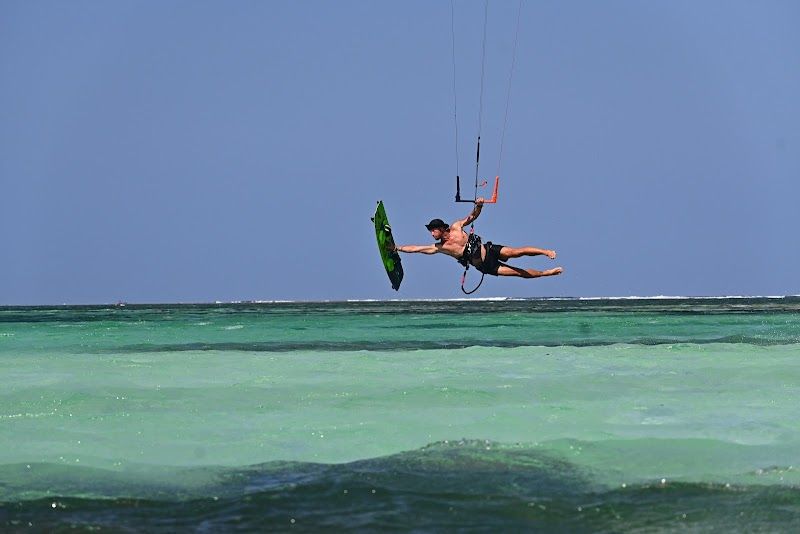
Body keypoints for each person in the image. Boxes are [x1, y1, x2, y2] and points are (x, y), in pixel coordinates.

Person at [394, 198, 563, 278]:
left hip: (489, 250)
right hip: (485, 265)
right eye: (430, 231)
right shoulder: (440, 248)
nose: (432, 234)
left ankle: (545, 251)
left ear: (441, 228)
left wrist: (479, 205)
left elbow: (472, 216)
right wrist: (398, 248)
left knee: (516, 252)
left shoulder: (456, 226)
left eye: (433, 230)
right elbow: (417, 249)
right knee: (517, 273)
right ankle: (546, 273)